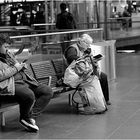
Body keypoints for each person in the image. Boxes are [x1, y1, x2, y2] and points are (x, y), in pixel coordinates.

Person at [0, 33, 53, 132]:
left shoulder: (8, 55)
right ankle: (25, 118)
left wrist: (20, 66)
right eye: (5, 47)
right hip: (9, 85)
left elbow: (15, 66)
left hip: (23, 81)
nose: (7, 49)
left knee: (47, 91)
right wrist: (16, 68)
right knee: (29, 94)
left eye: (8, 47)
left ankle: (31, 116)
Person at [64, 33, 111, 105]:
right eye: (87, 44)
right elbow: (71, 58)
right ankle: (95, 101)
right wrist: (84, 59)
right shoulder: (72, 48)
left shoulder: (85, 50)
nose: (89, 46)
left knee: (103, 76)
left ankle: (105, 99)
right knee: (95, 78)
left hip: (84, 72)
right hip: (75, 74)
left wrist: (93, 59)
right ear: (81, 42)